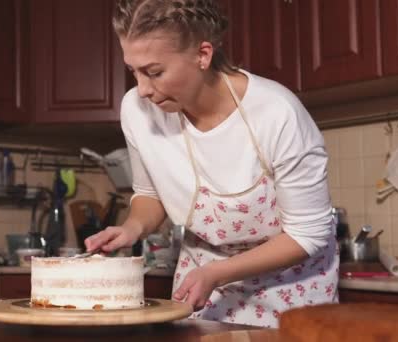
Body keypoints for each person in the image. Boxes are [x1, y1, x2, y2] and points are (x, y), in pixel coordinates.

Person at [85, 0, 338, 328]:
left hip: (292, 288)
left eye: (154, 72)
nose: (143, 89)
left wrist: (217, 273)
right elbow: (150, 194)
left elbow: (308, 234)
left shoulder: (277, 114)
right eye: (133, 71)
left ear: (202, 55)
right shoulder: (138, 110)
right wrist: (131, 228)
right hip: (203, 285)